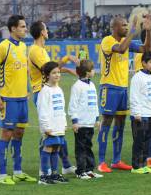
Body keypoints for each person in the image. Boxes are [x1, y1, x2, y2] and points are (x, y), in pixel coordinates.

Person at [97, 15, 151, 173]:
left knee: (120, 125)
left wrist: (148, 31)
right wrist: (133, 32)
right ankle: (101, 161)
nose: (127, 28)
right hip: (109, 87)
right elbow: (120, 49)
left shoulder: (127, 41)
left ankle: (116, 160)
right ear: (114, 27)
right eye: (123, 25)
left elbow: (146, 49)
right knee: (106, 123)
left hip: (122, 88)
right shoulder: (107, 41)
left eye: (127, 26)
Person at [29, 21, 79, 176]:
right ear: (41, 32)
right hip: (42, 92)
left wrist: (67, 69)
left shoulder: (41, 50)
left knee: (57, 130)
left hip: (49, 90)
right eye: (46, 28)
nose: (48, 30)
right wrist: (67, 59)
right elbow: (47, 69)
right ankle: (44, 170)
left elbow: (52, 68)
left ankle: (65, 165)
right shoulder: (36, 50)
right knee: (48, 132)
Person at [0, 15, 37, 185]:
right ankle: (3, 174)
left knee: (19, 133)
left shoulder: (23, 47)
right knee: (6, 134)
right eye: (22, 26)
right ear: (13, 29)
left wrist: (26, 89)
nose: (25, 29)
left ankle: (18, 171)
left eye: (25, 26)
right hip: (7, 99)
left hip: (21, 99)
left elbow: (23, 71)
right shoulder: (3, 47)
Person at [69, 60, 102, 180]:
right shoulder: (77, 86)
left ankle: (89, 169)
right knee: (81, 148)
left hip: (90, 123)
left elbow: (94, 104)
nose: (94, 71)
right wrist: (75, 121)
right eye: (92, 69)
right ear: (88, 72)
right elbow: (73, 105)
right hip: (81, 123)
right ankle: (80, 171)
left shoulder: (92, 85)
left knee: (88, 146)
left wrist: (97, 119)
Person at [37, 61, 69, 185]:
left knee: (56, 148)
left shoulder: (59, 89)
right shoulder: (45, 91)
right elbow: (42, 111)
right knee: (49, 147)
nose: (57, 75)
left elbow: (62, 108)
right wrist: (46, 127)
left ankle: (54, 174)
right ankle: (44, 175)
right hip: (50, 127)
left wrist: (64, 123)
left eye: (58, 72)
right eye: (54, 73)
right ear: (47, 75)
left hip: (59, 125)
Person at [129, 51, 151, 175]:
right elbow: (134, 96)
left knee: (147, 141)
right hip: (140, 115)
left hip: (150, 114)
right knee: (139, 141)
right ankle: (136, 167)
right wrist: (136, 113)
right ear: (143, 63)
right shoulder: (137, 77)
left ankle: (144, 164)